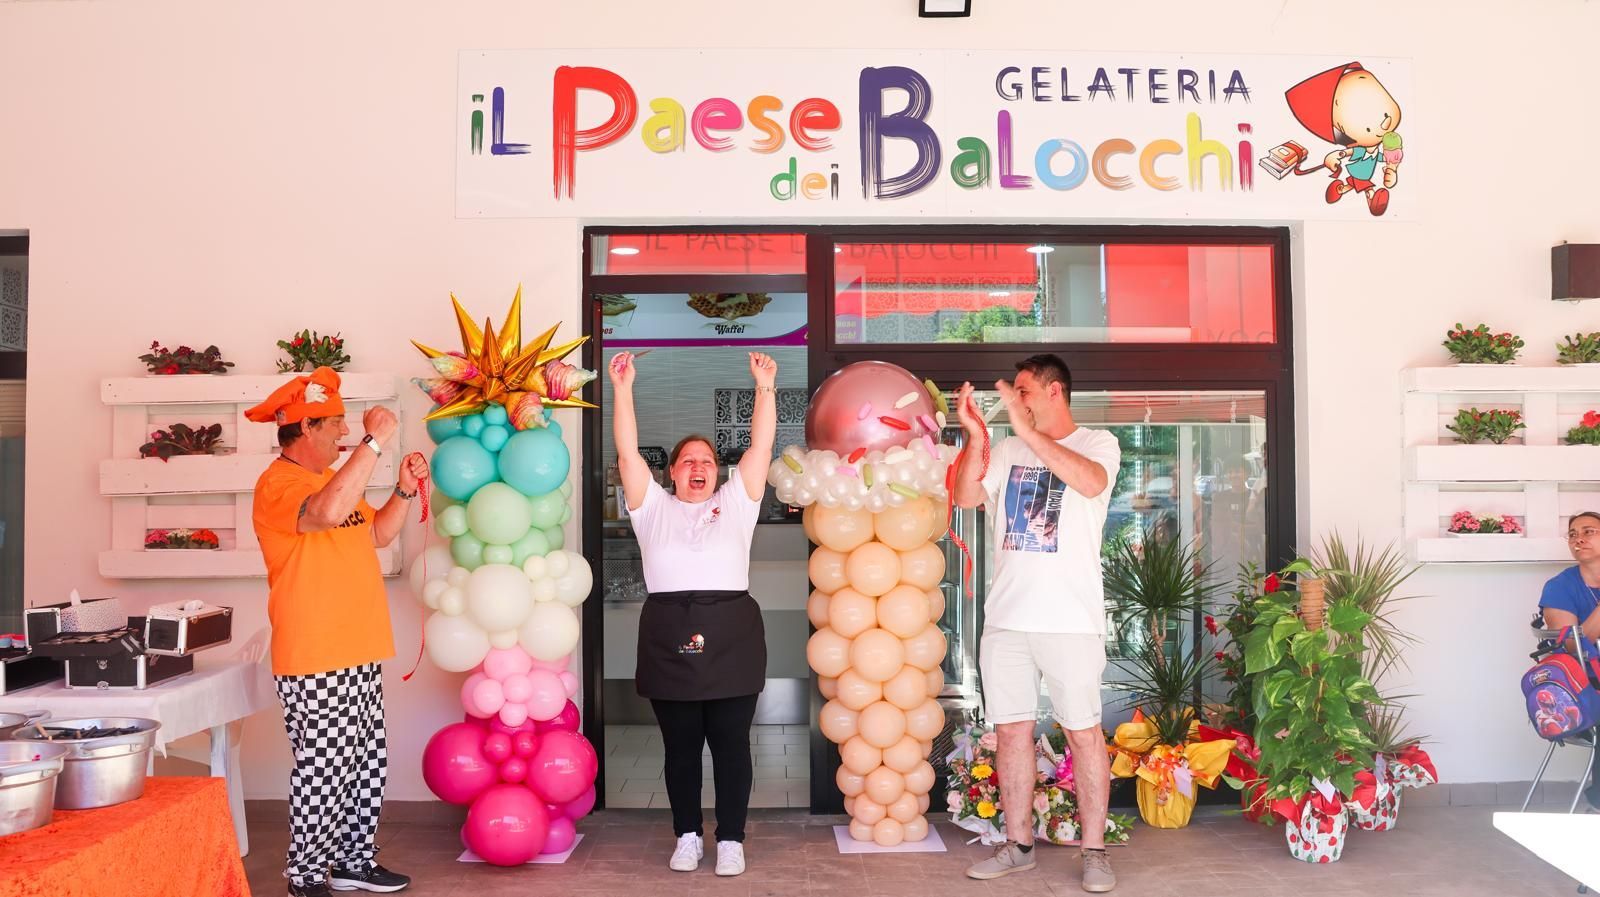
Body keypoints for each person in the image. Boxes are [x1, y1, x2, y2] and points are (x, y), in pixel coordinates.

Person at [246, 367, 429, 897]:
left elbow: (376, 532)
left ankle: (353, 861)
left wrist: (402, 489)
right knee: (323, 768)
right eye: (336, 427)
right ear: (305, 429)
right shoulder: (278, 484)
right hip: (315, 652)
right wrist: (374, 442)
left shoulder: (331, 480)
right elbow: (324, 516)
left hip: (359, 646)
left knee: (366, 763)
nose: (345, 435)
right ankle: (305, 874)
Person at [952, 353, 1122, 893]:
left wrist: (1027, 431)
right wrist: (977, 436)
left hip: (1071, 622)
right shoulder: (1006, 449)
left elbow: (1091, 484)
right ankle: (1019, 844)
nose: (1015, 402)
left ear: (1054, 392)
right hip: (1006, 620)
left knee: (1082, 733)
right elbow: (963, 496)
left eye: (1023, 391)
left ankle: (1094, 851)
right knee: (1011, 733)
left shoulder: (1099, 445)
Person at [607, 349, 777, 877]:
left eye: (707, 460)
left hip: (732, 635)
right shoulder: (650, 506)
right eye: (688, 461)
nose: (698, 467)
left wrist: (765, 387)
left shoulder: (738, 502)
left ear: (719, 471)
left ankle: (730, 839)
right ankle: (687, 835)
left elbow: (761, 445)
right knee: (680, 750)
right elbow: (627, 452)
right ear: (672, 473)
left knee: (731, 747)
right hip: (668, 633)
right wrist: (625, 389)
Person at [1537, 511, 1600, 807]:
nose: (1579, 539)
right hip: (1583, 688)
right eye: (1573, 534)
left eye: (1589, 531)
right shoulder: (1560, 587)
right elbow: (1575, 647)